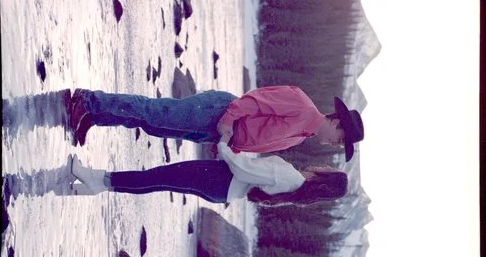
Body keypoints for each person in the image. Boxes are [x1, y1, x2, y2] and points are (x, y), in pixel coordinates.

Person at [65, 86, 365, 160]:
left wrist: (230, 148)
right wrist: (228, 121)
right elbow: (254, 100)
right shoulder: (301, 104)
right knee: (155, 112)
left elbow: (257, 138)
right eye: (340, 139)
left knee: (154, 126)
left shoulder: (302, 135)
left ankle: (94, 117)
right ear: (336, 120)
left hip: (218, 131)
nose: (334, 144)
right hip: (218, 112)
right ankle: (88, 100)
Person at [49, 137, 352, 206]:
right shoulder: (295, 189)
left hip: (220, 177)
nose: (324, 165)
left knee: (157, 176)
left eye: (329, 169)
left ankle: (99, 180)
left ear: (325, 177)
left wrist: (224, 144)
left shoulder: (290, 177)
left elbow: (245, 169)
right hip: (220, 189)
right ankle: (99, 183)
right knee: (158, 180)